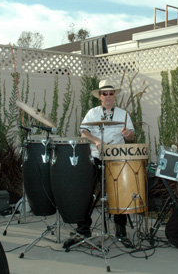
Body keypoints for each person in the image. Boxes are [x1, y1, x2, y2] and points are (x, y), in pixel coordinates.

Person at [64, 79, 135, 248]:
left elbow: (132, 135)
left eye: (111, 93)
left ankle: (121, 231)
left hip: (117, 156)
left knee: (119, 193)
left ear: (114, 96)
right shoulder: (93, 113)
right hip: (95, 156)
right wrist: (96, 141)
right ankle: (83, 228)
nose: (108, 96)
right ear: (100, 97)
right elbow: (83, 131)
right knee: (88, 192)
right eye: (105, 93)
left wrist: (127, 134)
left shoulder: (123, 114)